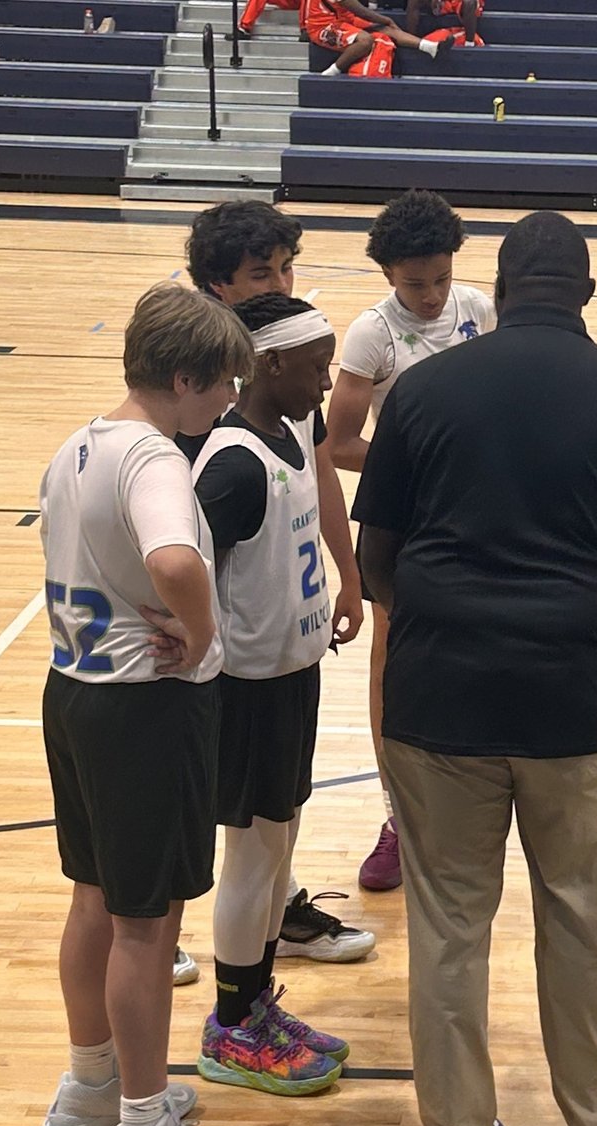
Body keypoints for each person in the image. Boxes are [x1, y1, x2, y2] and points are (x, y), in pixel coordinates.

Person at [354, 212, 597, 1126]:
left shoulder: (422, 391)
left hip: (437, 699)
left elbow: (377, 560)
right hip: (574, 704)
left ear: (494, 289)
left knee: (448, 925)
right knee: (582, 918)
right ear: (588, 294)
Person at [39, 283, 268, 1126]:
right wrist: (203, 632)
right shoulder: (155, 460)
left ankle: (92, 1085)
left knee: (95, 898)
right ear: (183, 377)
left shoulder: (77, 444)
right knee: (147, 924)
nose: (226, 407)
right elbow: (174, 560)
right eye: (220, 389)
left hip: (76, 694)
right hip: (147, 711)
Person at [184, 200, 374, 973]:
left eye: (286, 267)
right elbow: (173, 557)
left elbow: (319, 472)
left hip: (287, 655)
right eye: (263, 272)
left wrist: (347, 572)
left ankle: (260, 958)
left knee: (272, 829)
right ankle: (161, 927)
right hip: (232, 669)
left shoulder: (290, 404)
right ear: (217, 288)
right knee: (236, 831)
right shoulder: (202, 413)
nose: (281, 282)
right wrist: (190, 639)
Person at [184, 295, 351, 1100]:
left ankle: (254, 1005)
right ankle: (231, 1024)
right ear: (272, 364)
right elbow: (181, 569)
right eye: (317, 365)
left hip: (294, 678)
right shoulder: (233, 464)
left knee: (278, 849)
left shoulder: (291, 430)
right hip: (248, 693)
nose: (328, 379)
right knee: (252, 858)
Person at [326, 190, 497, 892]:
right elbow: (337, 443)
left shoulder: (481, 312)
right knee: (392, 663)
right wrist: (415, 464)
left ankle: (470, 805)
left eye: (440, 280)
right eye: (413, 284)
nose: (430, 296)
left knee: (477, 654)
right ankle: (397, 817)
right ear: (389, 277)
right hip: (404, 516)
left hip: (479, 510)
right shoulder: (371, 335)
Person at [300, 0, 453, 75]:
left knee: (385, 29)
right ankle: (331, 73)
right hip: (322, 26)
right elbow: (361, 11)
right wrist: (385, 19)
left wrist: (384, 22)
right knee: (366, 40)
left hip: (345, 19)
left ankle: (429, 47)